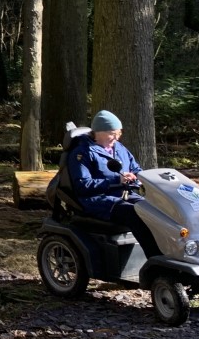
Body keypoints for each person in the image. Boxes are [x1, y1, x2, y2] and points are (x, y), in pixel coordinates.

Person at [67, 109, 157, 255]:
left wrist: (136, 178)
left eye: (119, 133)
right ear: (98, 132)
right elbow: (82, 185)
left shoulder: (120, 148)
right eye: (112, 133)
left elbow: (135, 169)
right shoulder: (82, 152)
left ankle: (169, 255)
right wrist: (116, 179)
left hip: (123, 194)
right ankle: (155, 258)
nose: (116, 137)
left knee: (152, 210)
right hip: (96, 199)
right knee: (134, 213)